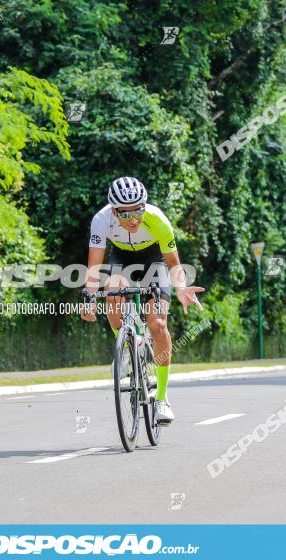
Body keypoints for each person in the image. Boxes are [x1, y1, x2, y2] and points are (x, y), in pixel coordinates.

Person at [80, 176, 204, 425]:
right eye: (126, 214)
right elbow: (95, 264)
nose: (134, 219)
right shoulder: (101, 220)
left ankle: (161, 398)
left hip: (154, 262)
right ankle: (126, 344)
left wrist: (180, 288)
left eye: (139, 210)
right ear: (114, 211)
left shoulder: (157, 219)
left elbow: (173, 263)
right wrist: (89, 296)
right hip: (121, 259)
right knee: (111, 289)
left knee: (158, 324)